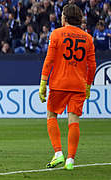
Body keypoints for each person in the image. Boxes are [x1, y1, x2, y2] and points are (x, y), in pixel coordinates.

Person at [39, 4, 96, 170]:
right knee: (74, 121)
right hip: (78, 85)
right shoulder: (88, 38)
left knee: (51, 115)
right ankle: (70, 159)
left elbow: (49, 60)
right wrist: (88, 85)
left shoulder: (57, 33)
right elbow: (92, 65)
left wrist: (43, 82)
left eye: (62, 15)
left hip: (59, 83)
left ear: (65, 17)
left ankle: (58, 154)